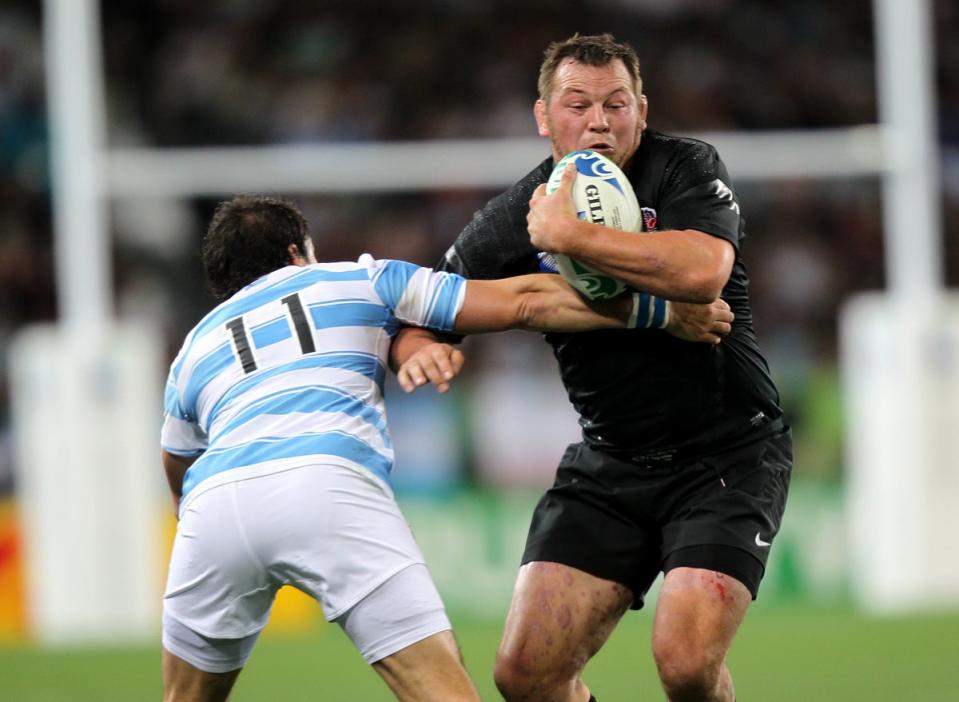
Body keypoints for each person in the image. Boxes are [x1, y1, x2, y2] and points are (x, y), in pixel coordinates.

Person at [392, 33, 791, 702]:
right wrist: (419, 348)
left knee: (686, 664)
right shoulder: (509, 218)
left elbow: (701, 272)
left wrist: (570, 236)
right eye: (577, 104)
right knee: (524, 675)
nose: (598, 121)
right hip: (611, 463)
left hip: (725, 456)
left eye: (615, 103)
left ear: (641, 107)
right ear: (543, 117)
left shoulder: (683, 166)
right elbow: (423, 312)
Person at [159, 193, 670, 702]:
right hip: (326, 480)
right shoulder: (360, 278)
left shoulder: (193, 349)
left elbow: (177, 458)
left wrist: (201, 521)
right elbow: (525, 300)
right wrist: (659, 311)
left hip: (214, 505)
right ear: (297, 252)